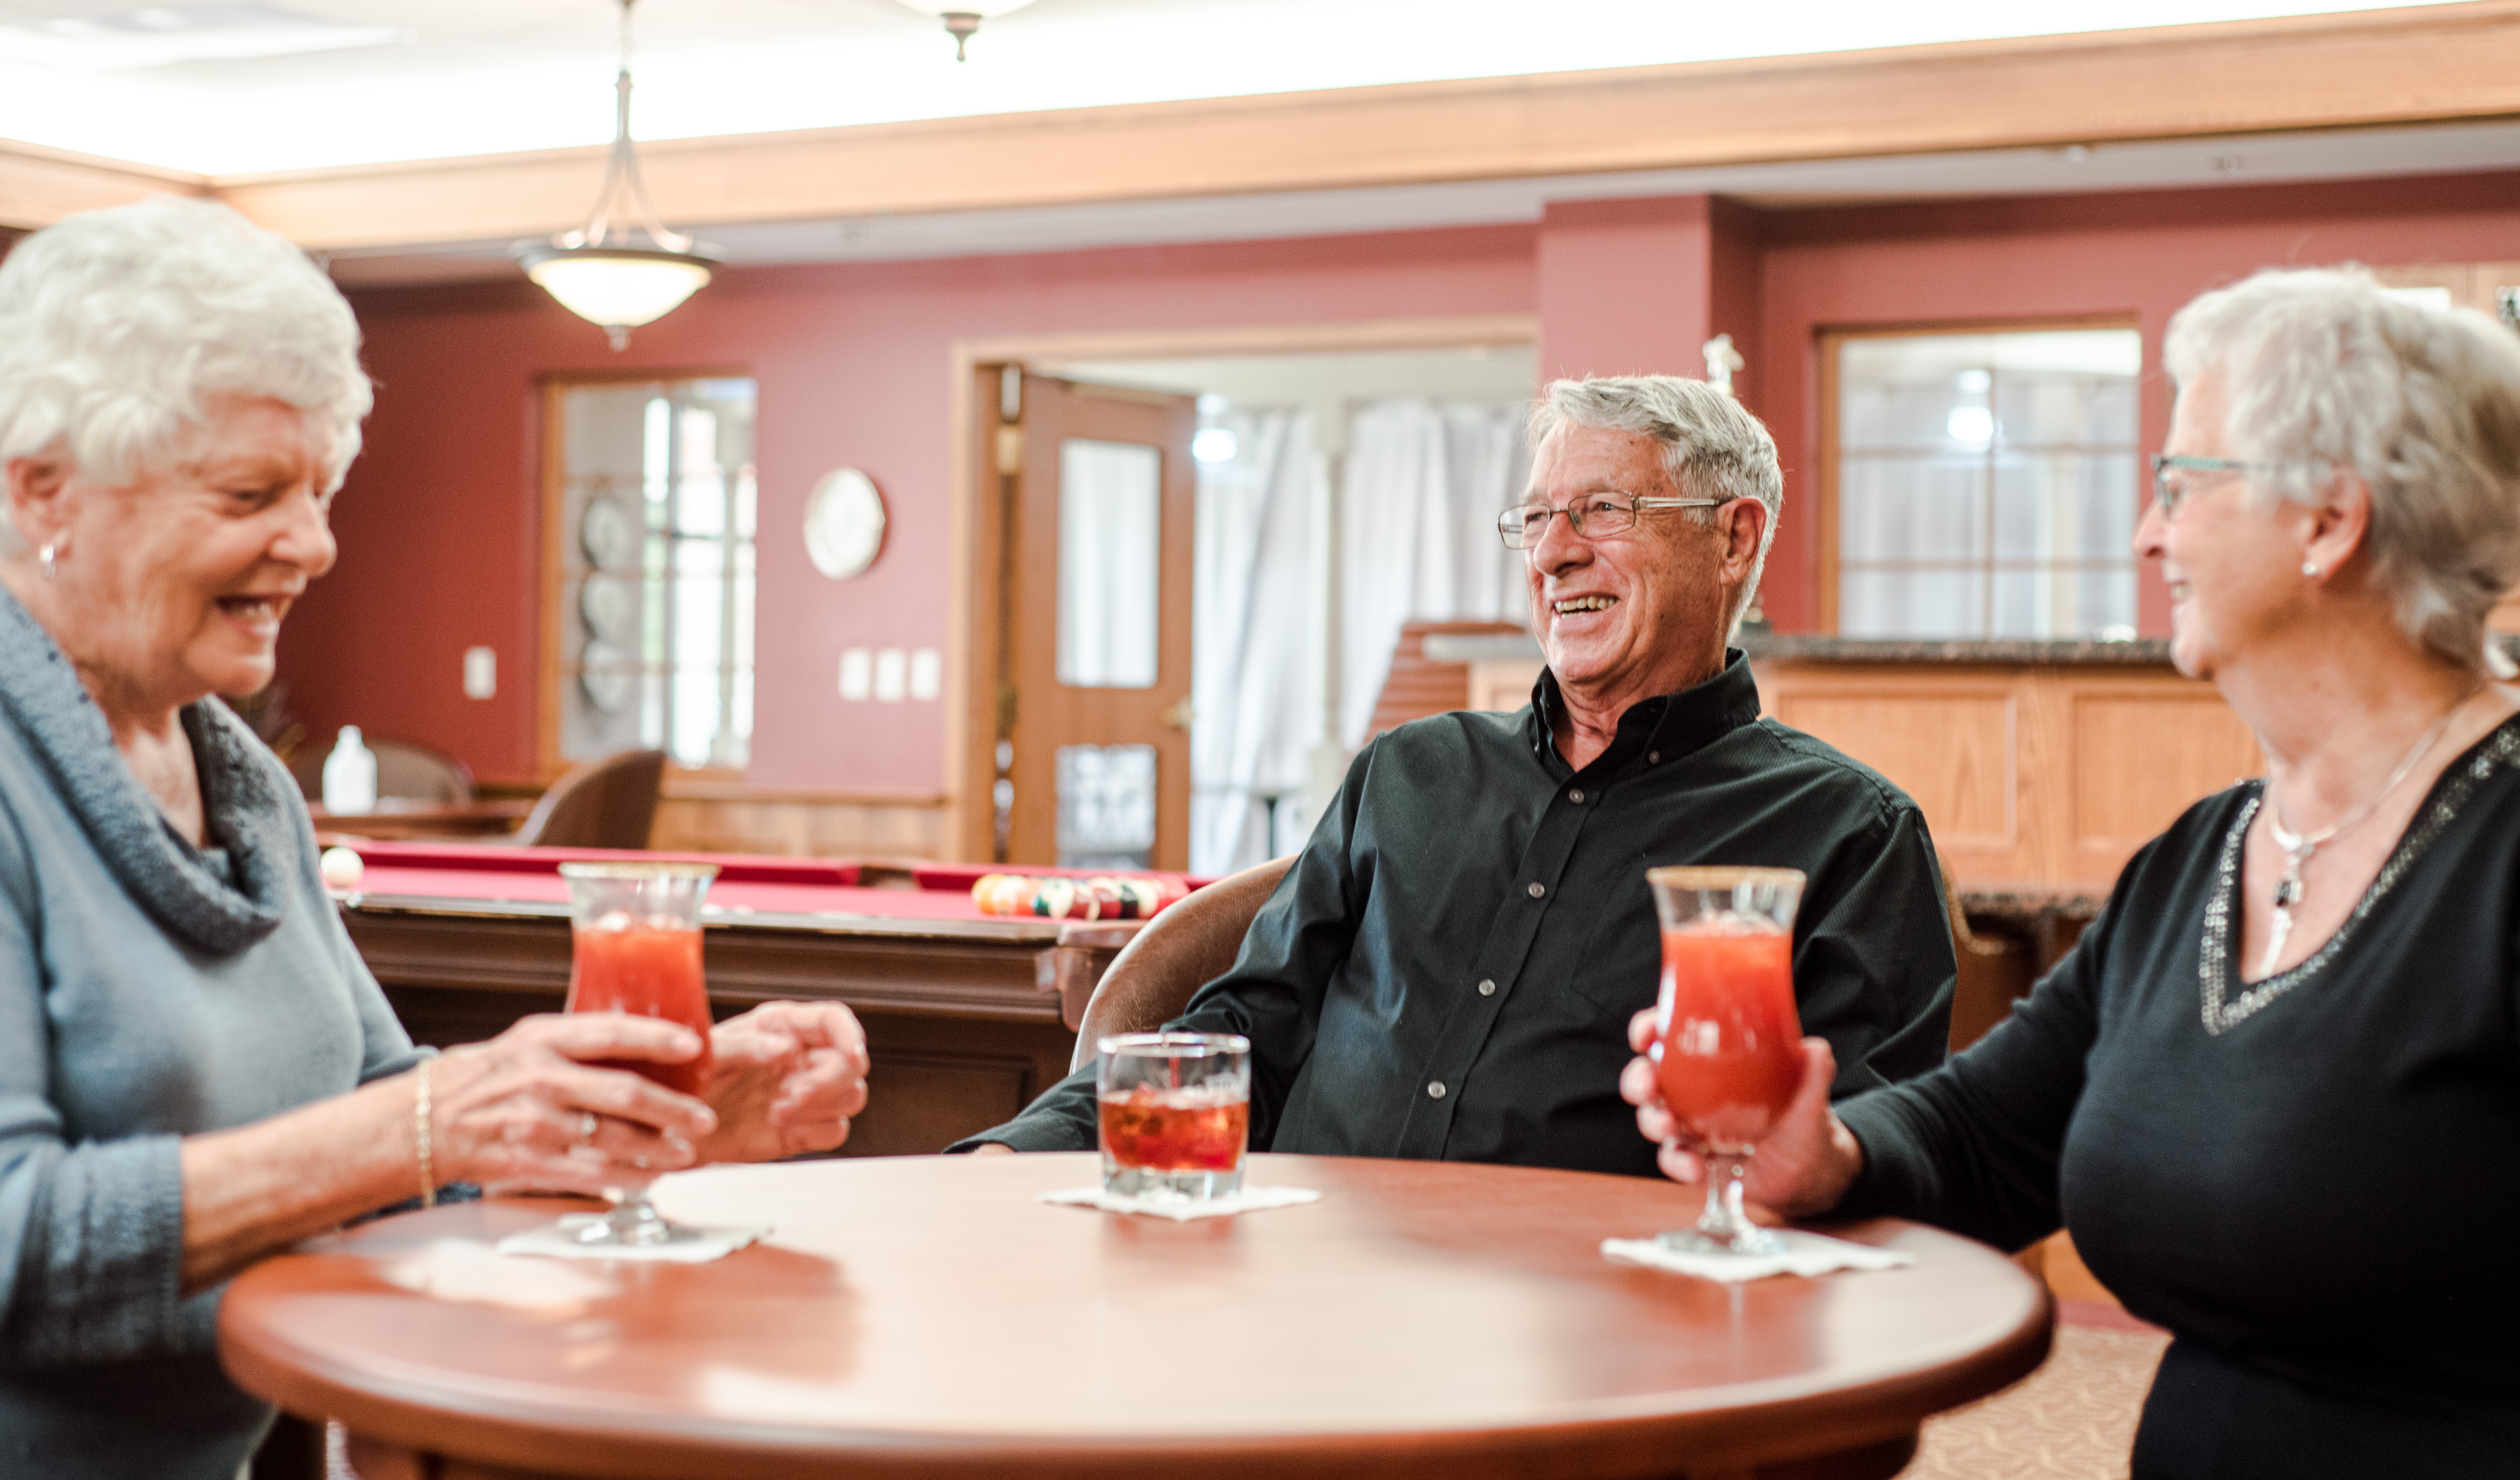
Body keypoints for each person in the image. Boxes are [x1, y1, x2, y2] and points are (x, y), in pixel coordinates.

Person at [1623, 267, 2520, 1480]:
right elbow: (1995, 1127)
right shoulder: (2206, 853)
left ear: (2329, 521)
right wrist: (1830, 1156)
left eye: (2181, 483)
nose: (2146, 532)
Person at [0, 200, 871, 1480]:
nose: (315, 543)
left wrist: (635, 1126)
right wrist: (425, 1123)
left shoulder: (238, 781)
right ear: (43, 489)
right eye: (252, 493)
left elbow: (392, 1148)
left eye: (319, 490)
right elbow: (19, 1246)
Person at [965, 373, 1956, 1172]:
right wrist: (1012, 1154)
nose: (1553, 554)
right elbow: (1242, 1026)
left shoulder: (1848, 835)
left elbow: (1857, 1154)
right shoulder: (1407, 772)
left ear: (1731, 538)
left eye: (1601, 510)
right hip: (1311, 1283)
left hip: (1609, 1339)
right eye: (1534, 521)